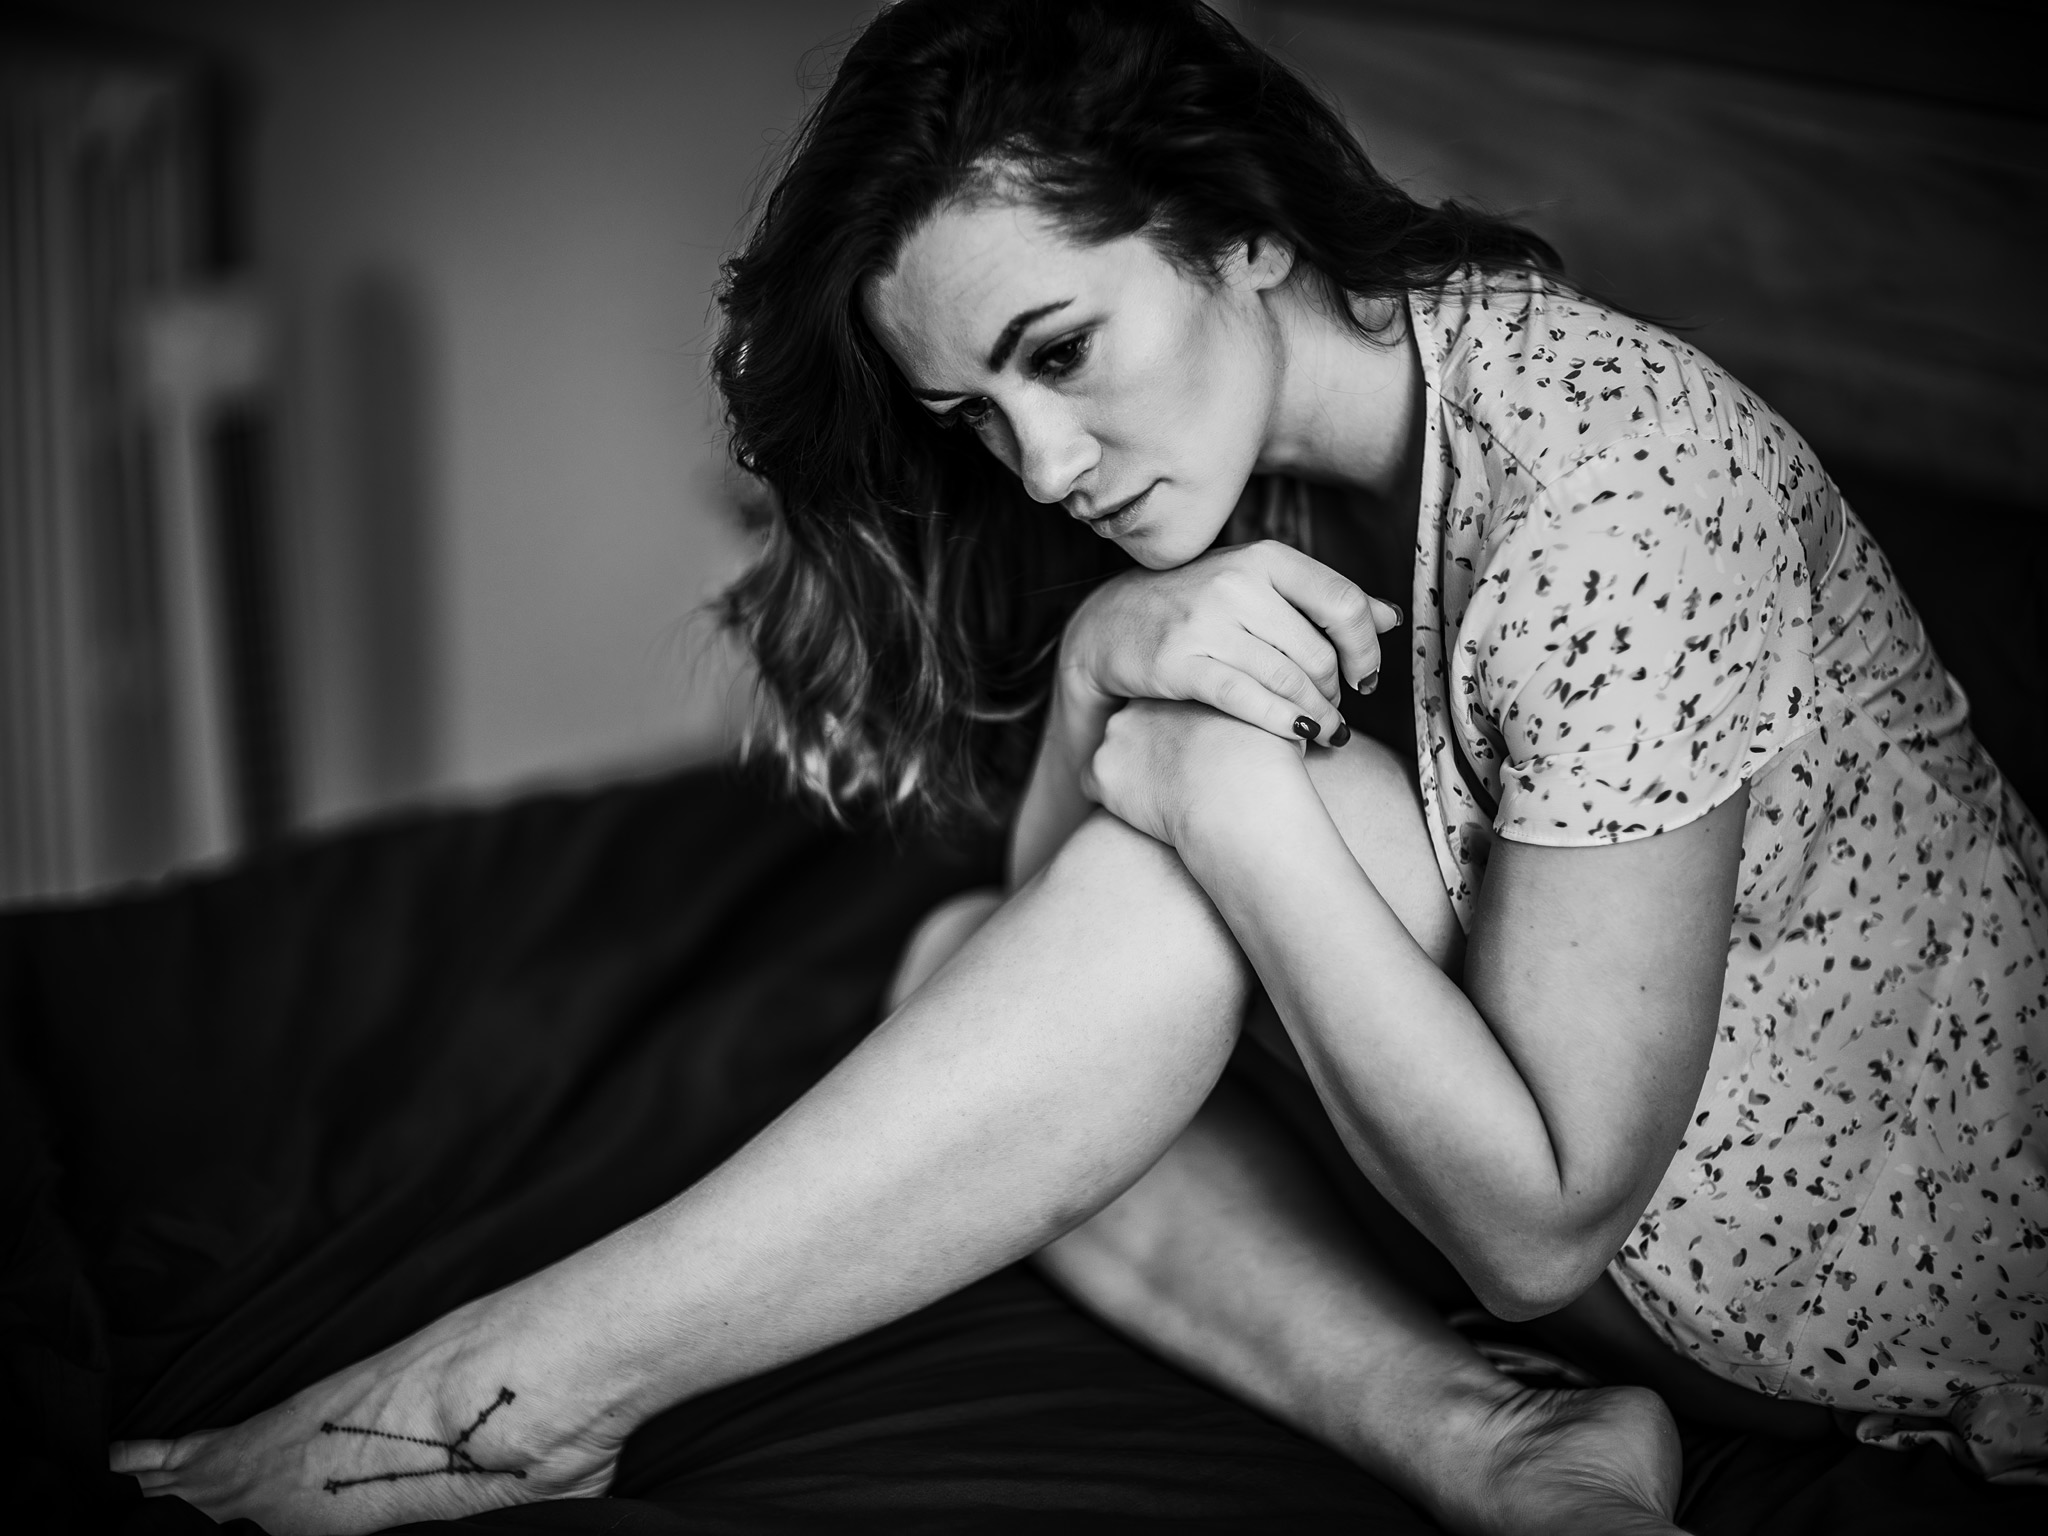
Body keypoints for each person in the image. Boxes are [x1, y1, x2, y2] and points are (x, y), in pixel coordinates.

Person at [112, 1, 2048, 1531]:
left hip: (1849, 1308)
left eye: (1058, 353)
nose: (1040, 466)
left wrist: (1214, 787)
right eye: (975, 413)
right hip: (1626, 1251)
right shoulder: (1254, 466)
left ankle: (524, 1393)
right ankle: (1492, 1442)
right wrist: (1102, 672)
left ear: (1245, 226)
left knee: (1161, 840)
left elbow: (1541, 1230)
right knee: (953, 968)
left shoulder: (1613, 498)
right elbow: (1050, 979)